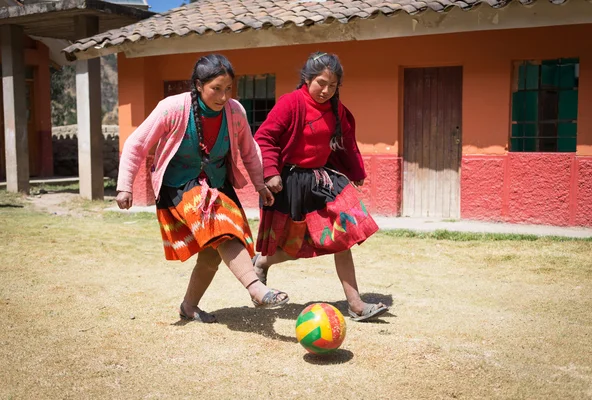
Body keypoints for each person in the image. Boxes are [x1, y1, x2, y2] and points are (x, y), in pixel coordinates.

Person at [115, 54, 289, 323]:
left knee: (211, 255)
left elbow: (250, 151)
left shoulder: (235, 112)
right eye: (216, 89)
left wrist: (260, 184)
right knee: (222, 227)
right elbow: (137, 143)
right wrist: (125, 186)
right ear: (198, 85)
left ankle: (189, 306)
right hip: (180, 186)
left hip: (218, 185)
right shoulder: (171, 108)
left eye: (228, 88)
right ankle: (256, 289)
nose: (223, 96)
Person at [252, 51, 388, 322]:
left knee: (343, 236)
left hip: (321, 180)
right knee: (293, 248)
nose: (326, 90)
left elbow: (345, 143)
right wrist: (269, 173)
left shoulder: (337, 110)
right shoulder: (290, 103)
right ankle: (263, 262)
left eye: (333, 85)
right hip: (290, 183)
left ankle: (356, 304)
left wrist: (355, 171)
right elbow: (264, 137)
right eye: (321, 83)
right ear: (307, 79)